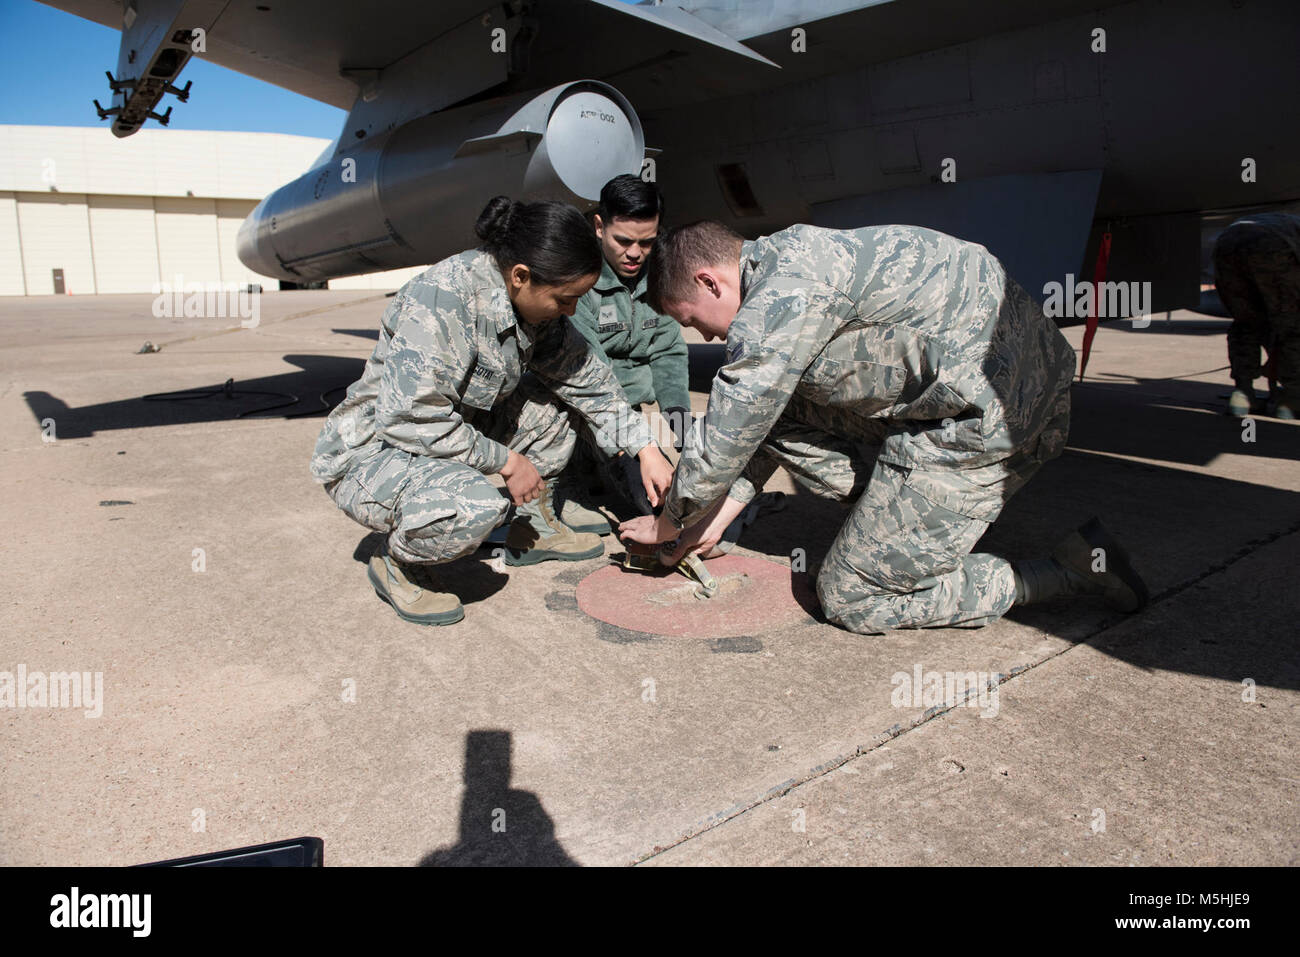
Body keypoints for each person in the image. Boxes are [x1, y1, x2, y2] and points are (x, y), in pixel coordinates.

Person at [620, 221, 1148, 635]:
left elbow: (731, 422)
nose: (706, 338)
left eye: (692, 321)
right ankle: (901, 522)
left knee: (853, 596)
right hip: (1001, 389)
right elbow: (764, 417)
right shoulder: (795, 254)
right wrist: (714, 517)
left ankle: (1069, 571)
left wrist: (668, 523)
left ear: (708, 281)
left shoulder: (779, 298)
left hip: (986, 425)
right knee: (782, 398)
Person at [311, 196, 674, 626]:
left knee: (559, 407)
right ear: (521, 276)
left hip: (452, 430)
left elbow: (587, 380)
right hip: (375, 453)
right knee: (475, 507)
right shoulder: (441, 301)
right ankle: (397, 562)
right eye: (564, 300)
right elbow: (409, 417)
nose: (571, 311)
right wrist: (506, 461)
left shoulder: (533, 301)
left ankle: (529, 524)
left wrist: (645, 448)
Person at [555, 174, 692, 527]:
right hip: (587, 399)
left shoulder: (656, 276)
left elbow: (668, 353)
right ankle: (567, 480)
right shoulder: (577, 279)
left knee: (672, 491)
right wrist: (642, 450)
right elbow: (592, 377)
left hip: (628, 407)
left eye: (646, 242)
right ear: (599, 227)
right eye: (624, 241)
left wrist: (681, 427)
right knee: (648, 498)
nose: (635, 253)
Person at [1212, 211, 1300, 419]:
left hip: (1227, 243)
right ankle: (1293, 400)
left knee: (1245, 323)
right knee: (1293, 328)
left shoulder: (1287, 221)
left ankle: (1243, 394)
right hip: (1273, 245)